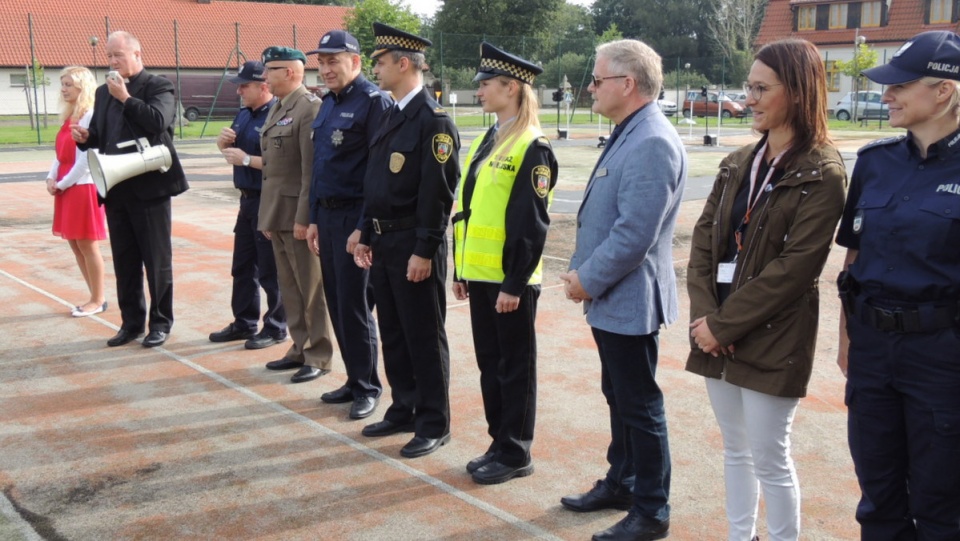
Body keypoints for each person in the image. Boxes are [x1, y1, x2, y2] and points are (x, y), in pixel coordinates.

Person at [685, 39, 846, 541]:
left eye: (760, 88)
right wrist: (708, 321)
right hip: (717, 329)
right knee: (735, 449)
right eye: (748, 86)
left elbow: (796, 267)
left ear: (797, 93)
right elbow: (702, 246)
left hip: (773, 335)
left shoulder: (824, 171)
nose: (748, 98)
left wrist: (723, 326)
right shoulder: (737, 163)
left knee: (770, 456)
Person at [558, 39, 686, 541]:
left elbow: (636, 233)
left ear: (626, 84)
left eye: (596, 79)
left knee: (639, 404)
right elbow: (603, 216)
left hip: (628, 298)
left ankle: (652, 511)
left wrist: (587, 278)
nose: (589, 87)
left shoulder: (652, 139)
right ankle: (623, 480)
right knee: (619, 395)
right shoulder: (629, 131)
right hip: (612, 298)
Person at [836, 30, 960, 540]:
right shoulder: (874, 163)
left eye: (900, 86)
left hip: (943, 357)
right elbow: (854, 258)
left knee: (941, 507)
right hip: (872, 351)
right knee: (878, 499)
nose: (886, 95)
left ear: (944, 92)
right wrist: (847, 342)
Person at [451, 43, 557, 485]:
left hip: (511, 282)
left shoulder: (533, 147)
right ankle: (499, 441)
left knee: (515, 366)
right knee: (490, 363)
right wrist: (460, 269)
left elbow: (531, 225)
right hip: (480, 276)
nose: (479, 92)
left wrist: (514, 283)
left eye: (486, 85)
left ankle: (516, 452)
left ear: (511, 87)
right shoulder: (487, 138)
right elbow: (469, 209)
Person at [354, 23, 460, 459]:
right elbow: (375, 180)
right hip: (384, 242)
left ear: (403, 64)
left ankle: (434, 421)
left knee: (423, 335)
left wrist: (424, 249)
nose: (375, 68)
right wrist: (364, 231)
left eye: (380, 61)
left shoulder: (433, 122)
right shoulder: (392, 113)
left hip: (414, 246)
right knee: (395, 332)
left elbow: (439, 194)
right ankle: (404, 407)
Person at [73, 31, 189, 348]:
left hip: (150, 190)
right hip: (116, 188)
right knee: (125, 262)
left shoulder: (158, 86)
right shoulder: (102, 93)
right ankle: (131, 324)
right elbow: (101, 135)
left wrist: (126, 97)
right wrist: (85, 137)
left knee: (156, 261)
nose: (112, 61)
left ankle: (160, 324)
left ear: (137, 54)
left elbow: (157, 121)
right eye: (109, 55)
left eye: (118, 55)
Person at [304, 30, 390, 420]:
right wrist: (312, 218)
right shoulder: (326, 104)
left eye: (333, 61)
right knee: (337, 303)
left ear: (355, 62)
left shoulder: (374, 103)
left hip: (355, 218)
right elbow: (319, 167)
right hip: (327, 215)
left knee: (356, 305)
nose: (325, 69)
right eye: (321, 62)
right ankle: (354, 379)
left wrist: (364, 228)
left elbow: (378, 173)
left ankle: (368, 386)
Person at [257, 46, 334, 384]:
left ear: (289, 72)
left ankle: (318, 353)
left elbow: (309, 172)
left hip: (297, 215)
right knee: (290, 286)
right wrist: (269, 217)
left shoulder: (308, 109)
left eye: (270, 70)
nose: (264, 77)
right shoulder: (279, 107)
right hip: (278, 212)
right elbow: (273, 171)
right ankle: (300, 346)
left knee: (310, 288)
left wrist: (304, 218)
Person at [208, 60, 288, 350]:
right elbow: (233, 153)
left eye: (244, 85)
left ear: (263, 86)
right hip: (246, 200)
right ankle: (244, 322)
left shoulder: (277, 116)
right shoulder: (243, 115)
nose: (239, 90)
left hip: (269, 199)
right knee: (242, 266)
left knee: (270, 269)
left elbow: (285, 164)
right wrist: (223, 145)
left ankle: (276, 326)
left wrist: (245, 159)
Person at [47, 66, 108, 318]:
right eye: (62, 84)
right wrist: (51, 177)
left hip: (82, 188)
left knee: (87, 245)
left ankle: (98, 299)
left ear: (83, 87)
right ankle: (93, 296)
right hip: (66, 188)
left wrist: (61, 184)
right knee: (75, 245)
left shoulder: (89, 116)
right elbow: (60, 155)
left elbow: (85, 162)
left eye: (69, 84)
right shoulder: (70, 116)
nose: (63, 88)